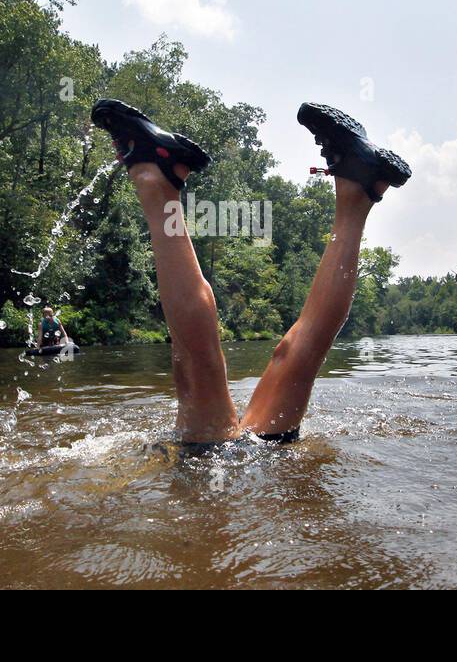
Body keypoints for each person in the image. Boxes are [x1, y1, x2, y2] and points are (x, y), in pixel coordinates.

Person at [91, 98, 411, 446]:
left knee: (274, 358)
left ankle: (357, 192)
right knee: (210, 369)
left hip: (244, 454)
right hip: (238, 458)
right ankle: (355, 186)